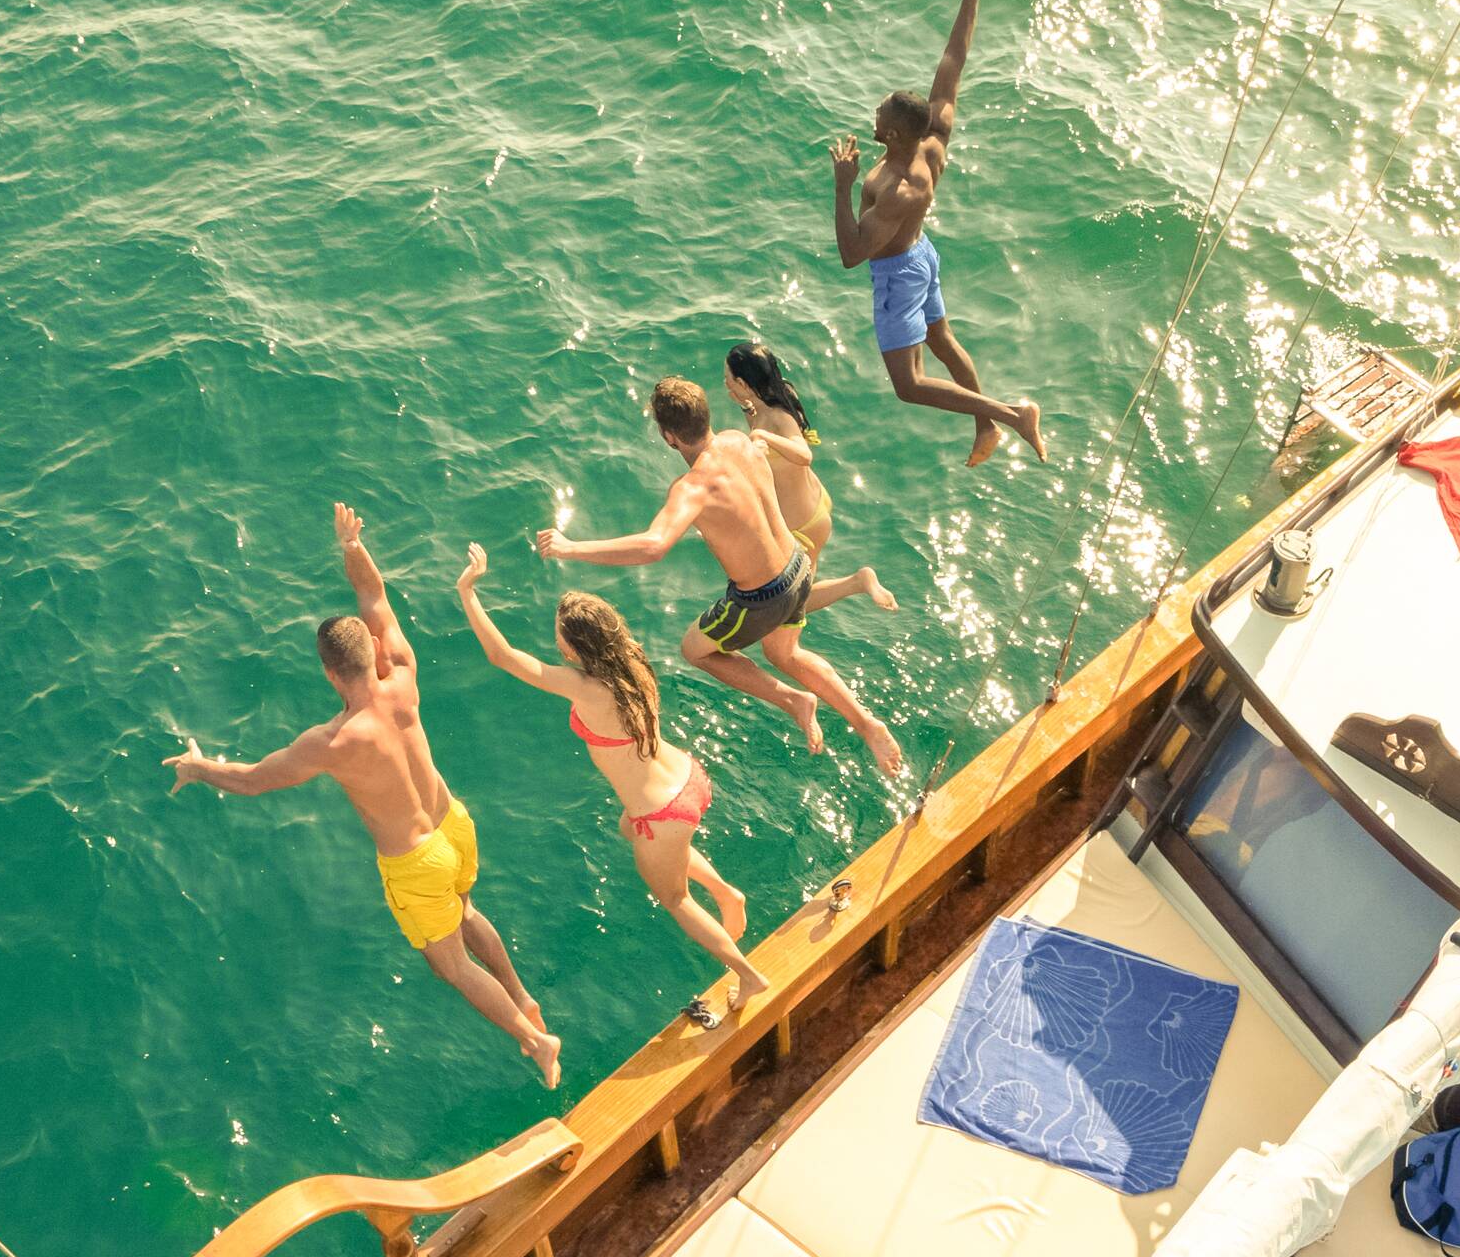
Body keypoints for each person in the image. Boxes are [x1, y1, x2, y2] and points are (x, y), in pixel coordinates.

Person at [166, 503, 559, 1084]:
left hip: (417, 859)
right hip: (454, 822)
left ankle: (533, 1039)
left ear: (329, 674)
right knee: (469, 910)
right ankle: (523, 995)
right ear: (373, 653)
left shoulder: (332, 742)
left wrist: (198, 768)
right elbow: (375, 599)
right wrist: (352, 547)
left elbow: (251, 780)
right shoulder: (402, 670)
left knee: (451, 966)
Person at [452, 545, 770, 1027]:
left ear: (578, 649)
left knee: (676, 900)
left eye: (561, 640)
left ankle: (747, 975)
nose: (557, 646)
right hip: (687, 778)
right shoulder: (631, 663)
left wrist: (468, 591)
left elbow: (503, 656)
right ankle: (727, 894)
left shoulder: (586, 688)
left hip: (663, 814)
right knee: (629, 826)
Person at [539, 378, 905, 778]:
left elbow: (654, 545)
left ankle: (794, 701)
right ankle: (867, 724)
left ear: (668, 436)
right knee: (785, 654)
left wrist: (570, 547)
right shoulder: (739, 441)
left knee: (695, 649)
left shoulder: (692, 488)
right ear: (706, 415)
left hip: (761, 597)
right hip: (799, 568)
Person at [832, 0, 1050, 467]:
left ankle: (1010, 414)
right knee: (942, 338)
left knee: (910, 383)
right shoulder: (934, 136)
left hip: (898, 273)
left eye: (880, 117)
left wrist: (842, 184)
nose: (875, 116)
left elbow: (853, 253)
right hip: (921, 254)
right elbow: (956, 56)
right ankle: (985, 426)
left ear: (894, 136)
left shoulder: (897, 187)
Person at [723, 339, 894, 622]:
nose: (725, 382)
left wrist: (763, 437)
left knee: (793, 605)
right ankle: (857, 582)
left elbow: (803, 454)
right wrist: (746, 406)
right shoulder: (772, 399)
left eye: (728, 378)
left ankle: (859, 581)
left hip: (802, 525)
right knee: (795, 601)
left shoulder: (776, 416)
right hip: (812, 505)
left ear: (742, 382)